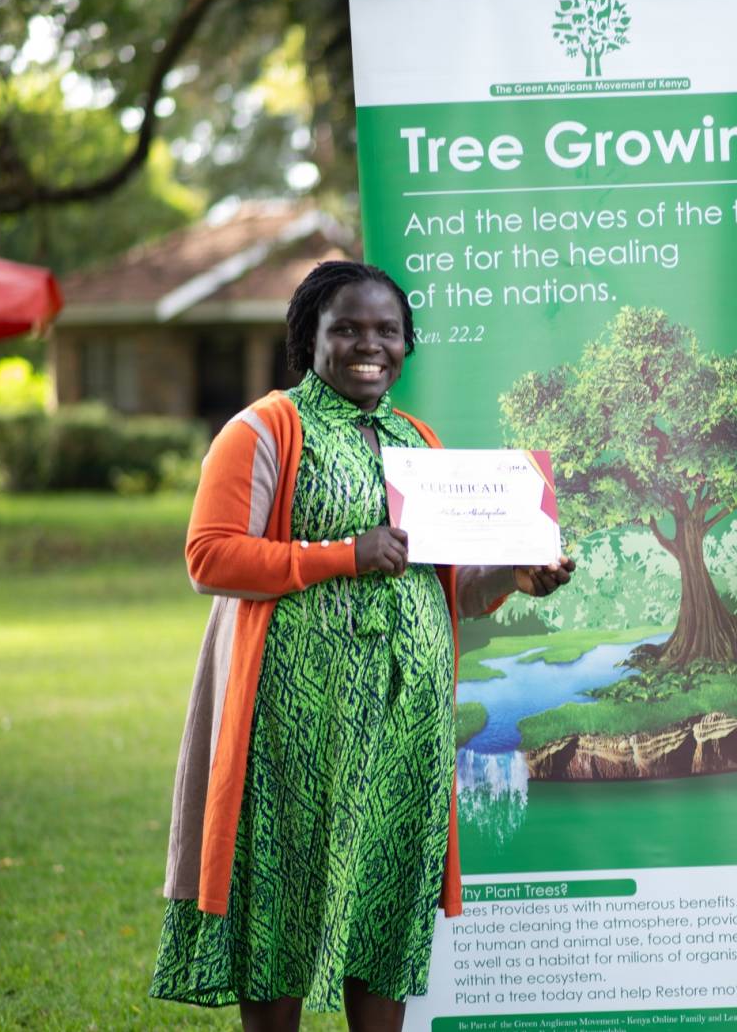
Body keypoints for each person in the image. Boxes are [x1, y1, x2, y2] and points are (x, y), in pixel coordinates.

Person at [149, 261, 574, 1031]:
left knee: (386, 902)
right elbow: (208, 556)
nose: (367, 345)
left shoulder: (420, 442)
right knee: (283, 896)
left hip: (404, 725)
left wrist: (515, 573)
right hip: (293, 726)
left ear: (408, 343)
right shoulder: (266, 428)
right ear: (308, 337)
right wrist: (343, 551)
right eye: (345, 328)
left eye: (386, 331)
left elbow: (448, 591)